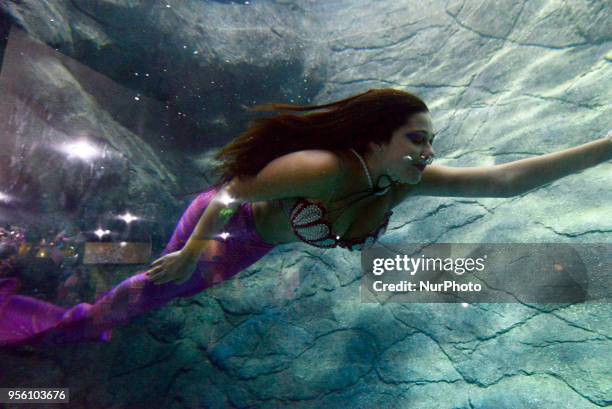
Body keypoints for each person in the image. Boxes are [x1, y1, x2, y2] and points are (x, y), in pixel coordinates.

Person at [1, 88, 610, 347]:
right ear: (376, 137)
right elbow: (228, 196)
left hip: (256, 245)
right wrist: (190, 252)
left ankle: (88, 306)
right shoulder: (323, 166)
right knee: (150, 293)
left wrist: (606, 145)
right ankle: (60, 324)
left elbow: (508, 181)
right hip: (223, 230)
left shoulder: (400, 184)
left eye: (432, 143)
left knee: (159, 293)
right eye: (417, 139)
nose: (429, 154)